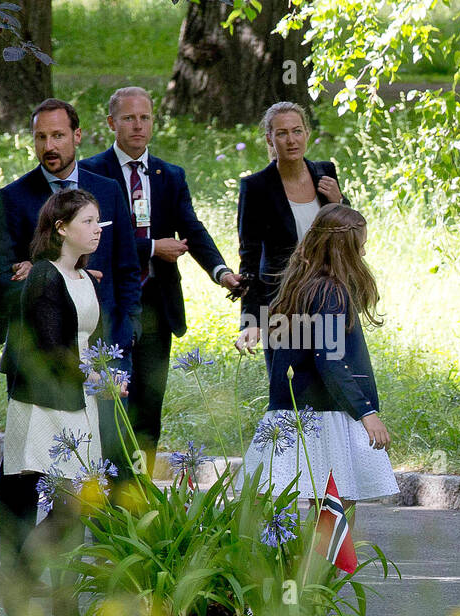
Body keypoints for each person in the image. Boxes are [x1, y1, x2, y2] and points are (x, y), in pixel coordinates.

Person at [0, 98, 141, 586]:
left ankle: (66, 598)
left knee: (81, 492)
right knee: (25, 486)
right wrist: (43, 286)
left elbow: (127, 271)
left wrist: (118, 344)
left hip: (96, 365)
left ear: (77, 135)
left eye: (57, 136)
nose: (48, 146)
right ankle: (16, 590)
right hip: (38, 369)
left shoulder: (108, 193)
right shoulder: (13, 198)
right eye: (39, 138)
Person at [81, 86, 242, 479]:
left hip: (156, 306)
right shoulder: (90, 173)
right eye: (129, 118)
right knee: (110, 404)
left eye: (145, 118)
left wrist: (221, 272)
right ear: (111, 123)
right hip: (110, 306)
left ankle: (138, 494)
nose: (138, 126)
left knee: (149, 407)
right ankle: (106, 492)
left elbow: (192, 229)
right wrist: (153, 246)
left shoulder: (169, 175)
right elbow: (100, 237)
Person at [0, 189, 121, 616]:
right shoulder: (44, 278)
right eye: (88, 221)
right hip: (45, 403)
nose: (97, 229)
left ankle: (61, 606)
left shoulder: (85, 277)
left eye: (98, 221)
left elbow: (92, 340)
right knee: (67, 506)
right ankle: (15, 595)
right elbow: (51, 348)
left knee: (75, 507)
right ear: (62, 228)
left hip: (78, 399)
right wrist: (95, 375)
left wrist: (108, 374)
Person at [238, 205, 397, 508]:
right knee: (335, 508)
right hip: (327, 412)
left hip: (297, 407)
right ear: (342, 249)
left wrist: (255, 326)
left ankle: (298, 556)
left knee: (303, 502)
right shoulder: (330, 292)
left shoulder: (300, 285)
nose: (363, 253)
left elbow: (291, 331)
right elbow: (330, 359)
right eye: (359, 245)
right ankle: (321, 558)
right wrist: (366, 412)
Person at [234, 101, 348, 358]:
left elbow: (348, 230)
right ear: (269, 139)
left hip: (329, 292)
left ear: (307, 133)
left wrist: (339, 202)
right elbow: (249, 256)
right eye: (282, 133)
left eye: (297, 131)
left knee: (333, 373)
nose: (291, 140)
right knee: (286, 382)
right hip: (281, 298)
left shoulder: (325, 173)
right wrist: (251, 320)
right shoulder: (256, 187)